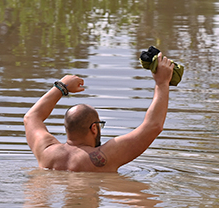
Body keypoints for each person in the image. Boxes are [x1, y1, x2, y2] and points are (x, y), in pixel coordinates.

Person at [23, 53, 175, 172]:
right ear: (94, 128)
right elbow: (153, 126)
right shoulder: (106, 156)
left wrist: (61, 87)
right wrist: (161, 83)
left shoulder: (46, 151)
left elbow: (31, 117)